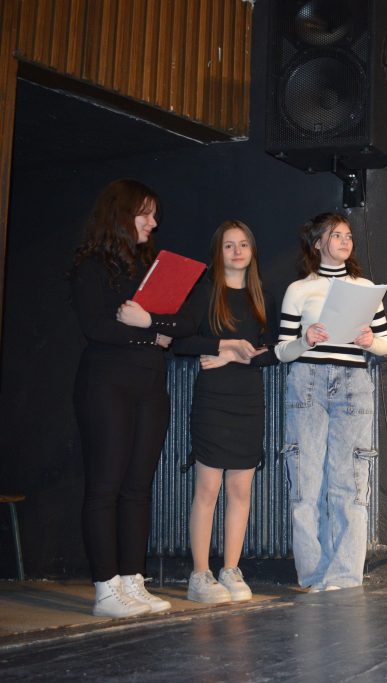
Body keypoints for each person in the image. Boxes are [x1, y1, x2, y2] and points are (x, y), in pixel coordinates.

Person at [70, 179, 196, 617]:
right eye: (145, 213)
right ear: (121, 215)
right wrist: (151, 333)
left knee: (138, 489)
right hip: (106, 384)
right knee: (104, 487)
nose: (153, 223)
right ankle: (106, 588)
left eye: (154, 215)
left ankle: (131, 580)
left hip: (149, 386)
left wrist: (148, 322)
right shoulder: (91, 265)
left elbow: (186, 324)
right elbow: (96, 327)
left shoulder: (152, 267)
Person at [275, 213, 387, 591]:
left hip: (353, 384)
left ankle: (344, 576)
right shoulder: (299, 290)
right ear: (317, 243)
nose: (345, 241)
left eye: (348, 235)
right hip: (307, 383)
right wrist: (305, 340)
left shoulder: (364, 288)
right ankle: (313, 574)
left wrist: (370, 342)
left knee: (350, 483)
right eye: (336, 235)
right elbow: (281, 350)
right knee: (306, 482)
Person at [172, 220, 278, 602]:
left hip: (248, 400)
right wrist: (224, 346)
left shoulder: (262, 296)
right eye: (229, 245)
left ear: (252, 251)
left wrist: (236, 356)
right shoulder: (205, 292)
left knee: (240, 489)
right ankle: (200, 574)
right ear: (218, 252)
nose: (237, 251)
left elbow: (272, 352)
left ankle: (231, 569)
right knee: (208, 488)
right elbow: (179, 341)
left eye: (243, 244)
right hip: (213, 400)